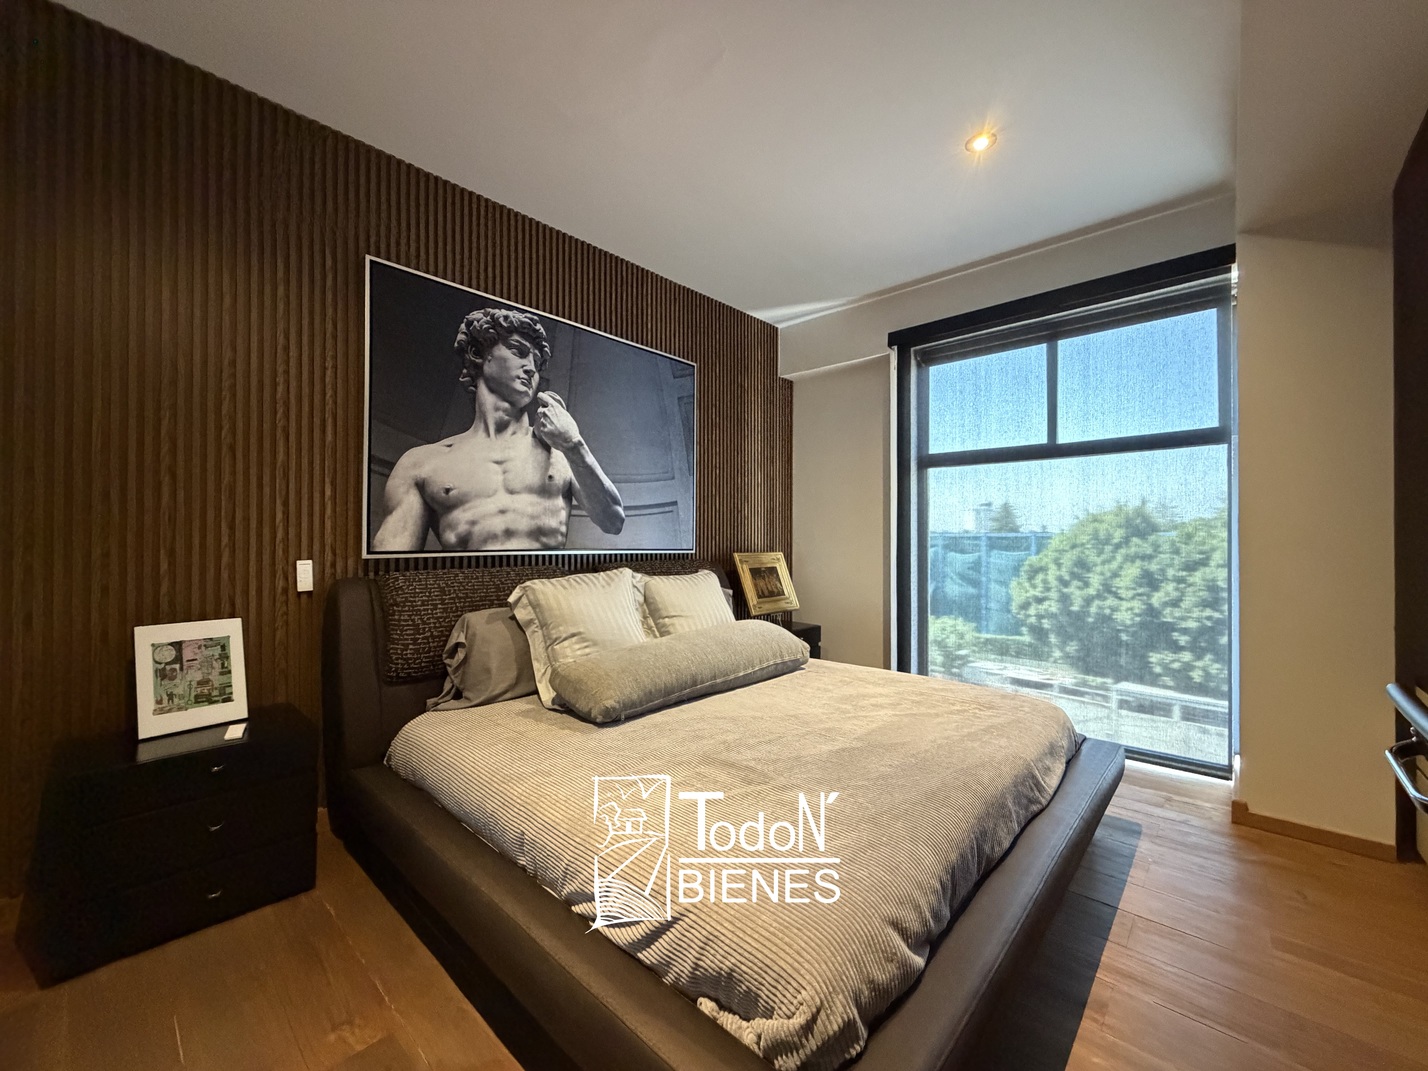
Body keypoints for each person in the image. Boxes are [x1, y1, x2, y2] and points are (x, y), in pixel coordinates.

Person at [373, 307, 624, 551]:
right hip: (473, 581)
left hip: (547, 579)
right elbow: (393, 564)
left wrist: (573, 443)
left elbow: (613, 521)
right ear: (478, 353)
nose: (531, 368)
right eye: (518, 351)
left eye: (537, 362)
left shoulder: (560, 450)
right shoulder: (422, 464)